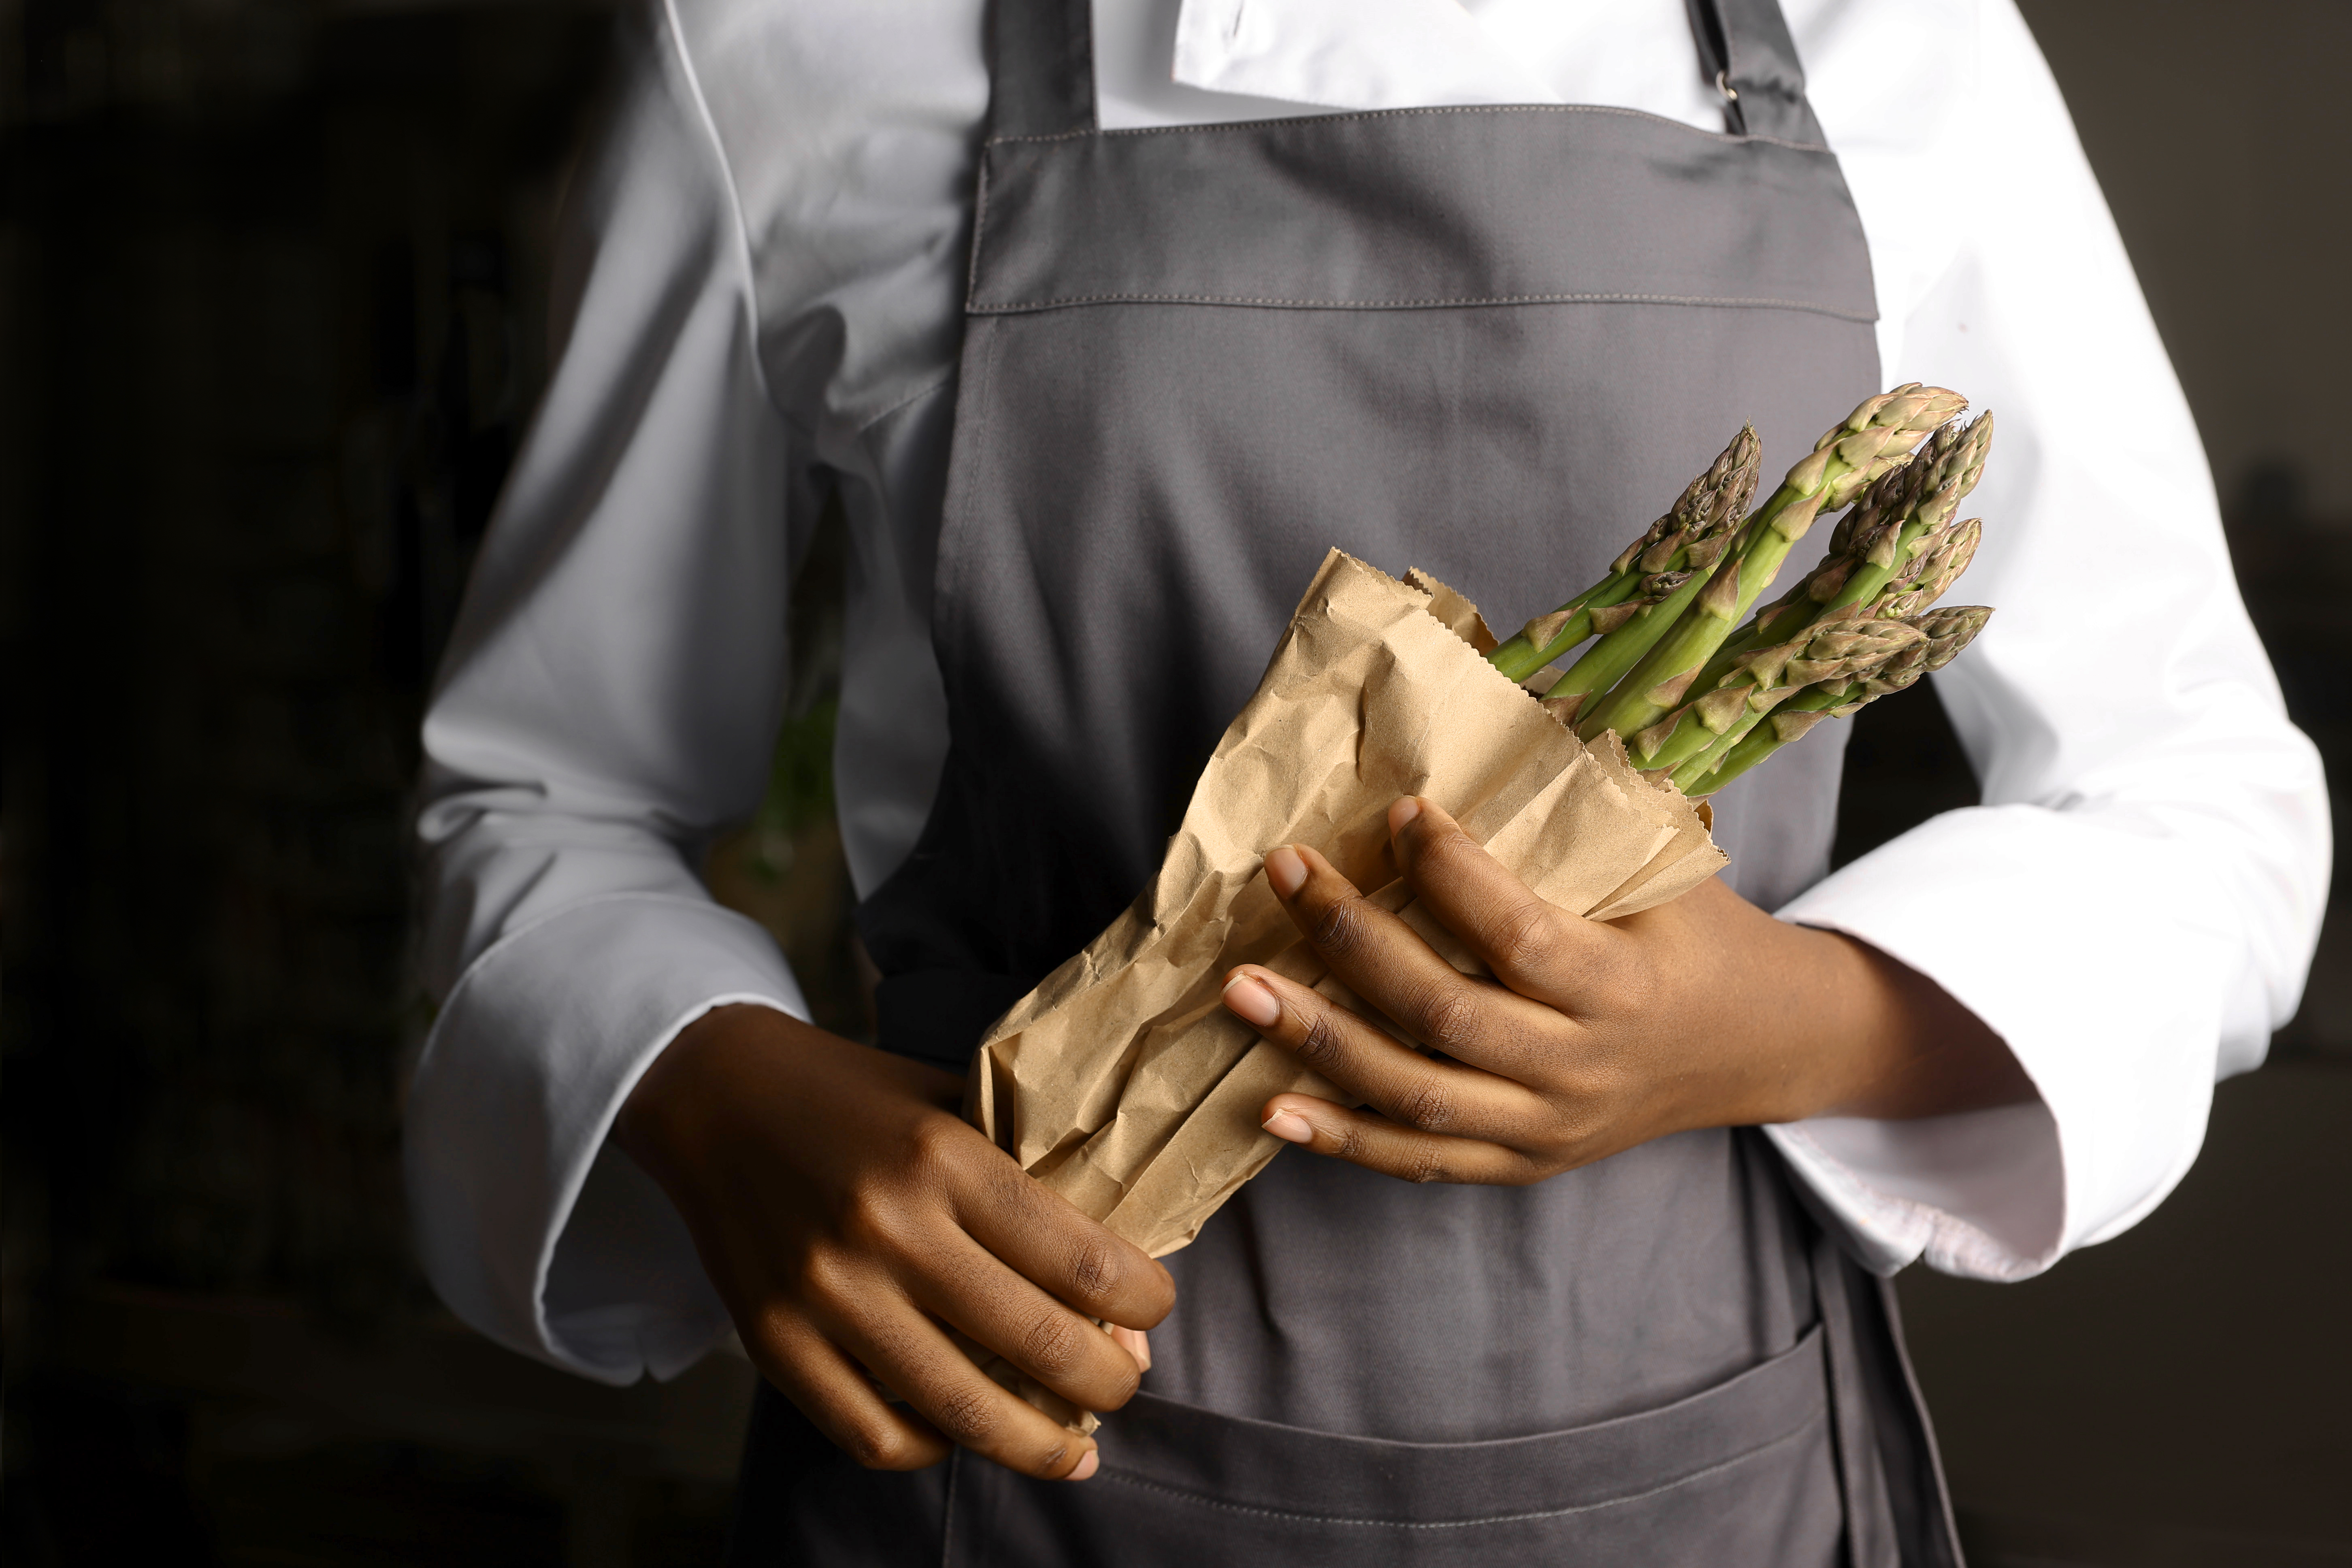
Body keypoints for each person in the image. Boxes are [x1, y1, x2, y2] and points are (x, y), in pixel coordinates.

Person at [403, 0, 2329, 1559]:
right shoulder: (798, 43)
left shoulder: (1896, 45)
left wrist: (1771, 1024)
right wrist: (711, 1095)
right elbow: (544, 796)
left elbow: (2209, 806)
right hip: (994, 1460)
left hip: (1700, 1484)